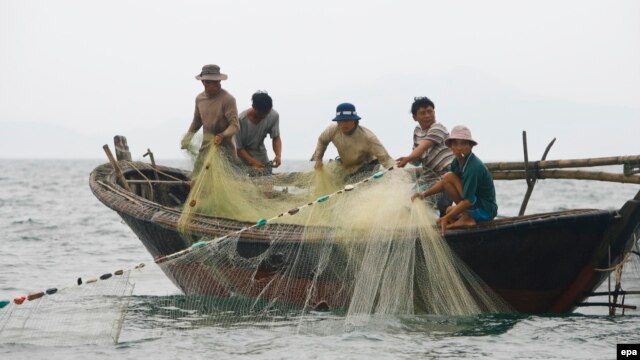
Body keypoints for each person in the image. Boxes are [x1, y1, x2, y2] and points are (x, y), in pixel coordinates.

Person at [411, 125, 497, 234]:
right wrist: (423, 194)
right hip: (474, 206)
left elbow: (469, 200)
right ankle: (466, 217)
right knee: (448, 208)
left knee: (449, 178)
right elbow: (444, 183)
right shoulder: (456, 163)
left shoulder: (473, 167)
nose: (459, 147)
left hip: (485, 211)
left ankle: (467, 218)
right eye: (455, 144)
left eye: (463, 143)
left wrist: (446, 218)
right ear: (451, 146)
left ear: (470, 146)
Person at [396, 96, 454, 215]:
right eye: (422, 113)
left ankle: (446, 225)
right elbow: (417, 156)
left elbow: (423, 147)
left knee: (443, 203)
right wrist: (409, 160)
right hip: (427, 177)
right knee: (408, 202)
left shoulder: (438, 128)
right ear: (414, 117)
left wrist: (408, 158)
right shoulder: (417, 130)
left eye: (430, 111)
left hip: (446, 175)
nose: (427, 115)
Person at [311, 102, 394, 182]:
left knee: (352, 184)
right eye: (340, 121)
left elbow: (386, 159)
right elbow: (322, 141)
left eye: (346, 121)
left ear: (354, 121)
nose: (343, 125)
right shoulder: (332, 130)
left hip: (367, 166)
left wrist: (398, 175)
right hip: (346, 165)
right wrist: (318, 159)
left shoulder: (368, 137)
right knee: (333, 178)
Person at [181, 64, 239, 173]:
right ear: (203, 82)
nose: (212, 85)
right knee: (195, 180)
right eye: (208, 82)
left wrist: (222, 135)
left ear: (219, 82)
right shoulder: (199, 99)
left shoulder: (228, 99)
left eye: (215, 82)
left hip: (225, 152)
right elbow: (197, 121)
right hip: (205, 149)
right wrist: (188, 137)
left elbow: (235, 126)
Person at [235, 91, 282, 176]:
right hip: (241, 158)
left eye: (266, 113)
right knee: (243, 185)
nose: (263, 116)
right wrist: (252, 162)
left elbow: (276, 137)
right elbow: (238, 148)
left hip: (260, 155)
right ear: (253, 107)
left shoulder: (274, 115)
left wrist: (278, 155)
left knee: (267, 184)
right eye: (260, 114)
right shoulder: (240, 120)